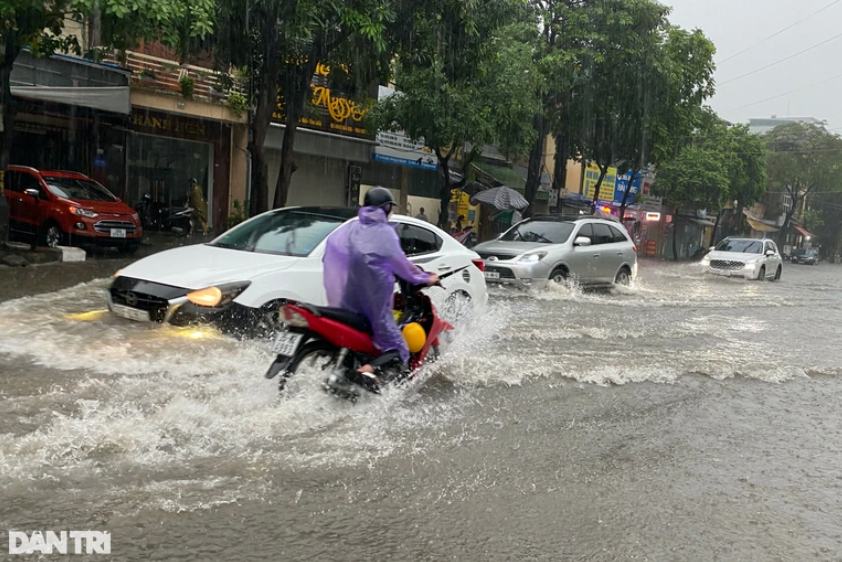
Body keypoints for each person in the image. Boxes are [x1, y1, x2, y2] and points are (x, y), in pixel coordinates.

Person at [323, 187, 439, 384]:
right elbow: (404, 267)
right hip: (373, 308)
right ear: (385, 208)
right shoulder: (384, 233)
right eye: (390, 208)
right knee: (399, 348)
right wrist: (426, 279)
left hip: (346, 305)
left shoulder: (351, 228)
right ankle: (367, 370)